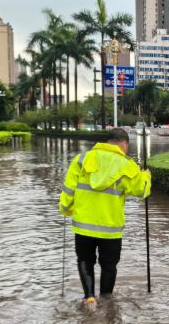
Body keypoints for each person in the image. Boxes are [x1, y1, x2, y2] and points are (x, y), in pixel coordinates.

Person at [59, 128, 151, 310]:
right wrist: (146, 176)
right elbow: (141, 192)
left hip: (83, 224)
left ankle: (89, 298)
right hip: (111, 227)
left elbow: (69, 190)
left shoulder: (81, 160)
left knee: (85, 260)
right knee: (109, 264)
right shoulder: (127, 165)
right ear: (124, 144)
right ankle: (107, 299)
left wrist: (65, 209)